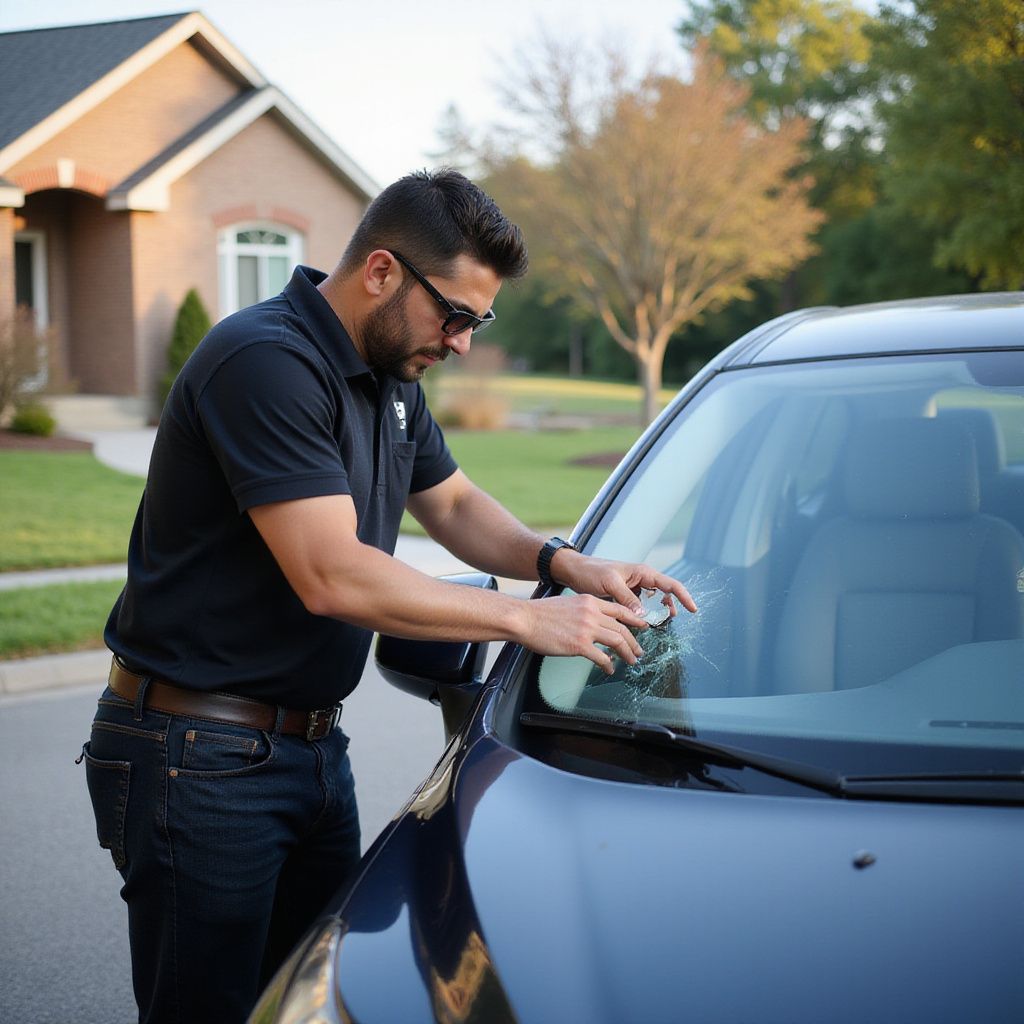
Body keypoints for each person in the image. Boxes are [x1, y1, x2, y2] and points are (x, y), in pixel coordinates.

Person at [80, 168, 695, 1024]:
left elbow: (452, 504)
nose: (464, 344)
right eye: (456, 317)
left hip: (309, 753)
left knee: (312, 1007)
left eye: (479, 323)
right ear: (381, 272)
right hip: (199, 754)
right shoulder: (265, 362)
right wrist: (526, 616)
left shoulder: (389, 375)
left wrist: (562, 564)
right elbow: (332, 572)